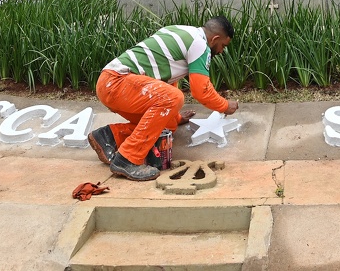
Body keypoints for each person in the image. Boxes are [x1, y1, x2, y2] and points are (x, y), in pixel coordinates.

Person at [88, 17, 238, 182]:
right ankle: (128, 159)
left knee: (168, 126)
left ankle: (109, 136)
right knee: (174, 98)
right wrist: (224, 106)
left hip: (110, 83)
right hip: (118, 82)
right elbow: (201, 90)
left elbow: (164, 79)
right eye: (223, 45)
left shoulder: (179, 30)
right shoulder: (200, 45)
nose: (222, 51)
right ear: (215, 39)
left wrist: (176, 117)